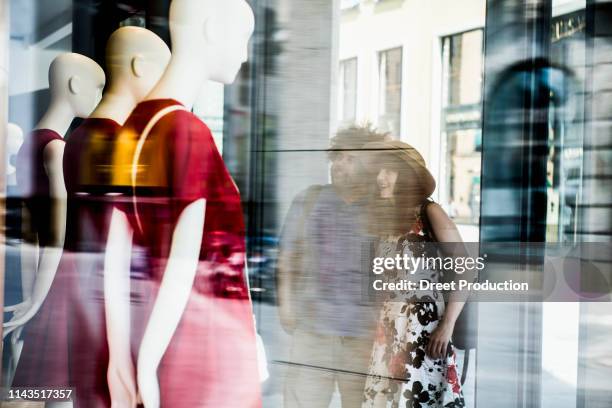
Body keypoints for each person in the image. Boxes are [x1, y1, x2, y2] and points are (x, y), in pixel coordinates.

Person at [277, 125, 388, 408]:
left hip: (364, 335)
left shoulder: (383, 208)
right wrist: (286, 305)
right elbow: (287, 257)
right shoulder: (309, 199)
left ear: (369, 165)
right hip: (313, 330)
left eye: (349, 159)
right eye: (336, 157)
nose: (339, 164)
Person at [361, 140, 466, 408]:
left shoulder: (429, 212)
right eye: (378, 171)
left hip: (425, 332)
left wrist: (448, 325)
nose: (380, 178)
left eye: (389, 171)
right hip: (388, 331)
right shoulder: (386, 219)